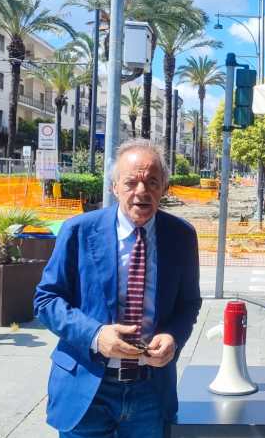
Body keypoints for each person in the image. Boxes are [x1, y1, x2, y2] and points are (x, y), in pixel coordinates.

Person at [34, 139, 202, 437]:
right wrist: (96, 335)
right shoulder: (78, 231)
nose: (142, 191)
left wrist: (173, 336)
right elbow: (46, 300)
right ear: (114, 187)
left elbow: (188, 303)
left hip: (150, 392)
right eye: (131, 182)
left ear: (164, 188)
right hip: (87, 388)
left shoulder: (181, 236)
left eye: (152, 182)